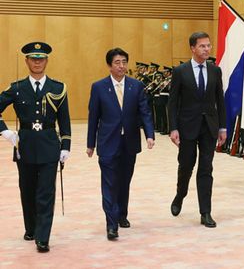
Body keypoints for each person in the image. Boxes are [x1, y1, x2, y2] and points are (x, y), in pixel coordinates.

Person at [0, 42, 71, 252]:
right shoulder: (17, 88)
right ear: (27, 61)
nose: (37, 62)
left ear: (47, 61)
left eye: (41, 58)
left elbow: (64, 120)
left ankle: (43, 236)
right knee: (28, 191)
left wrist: (65, 145)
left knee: (46, 193)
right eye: (33, 58)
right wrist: (4, 131)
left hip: (50, 146)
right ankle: (31, 227)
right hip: (25, 147)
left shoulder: (58, 88)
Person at [87, 48, 155, 240]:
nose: (121, 66)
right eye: (117, 62)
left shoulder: (137, 86)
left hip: (129, 142)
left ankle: (121, 214)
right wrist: (90, 143)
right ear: (109, 65)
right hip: (108, 142)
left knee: (124, 180)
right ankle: (111, 223)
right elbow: (94, 117)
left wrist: (149, 134)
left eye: (124, 62)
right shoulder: (99, 87)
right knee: (109, 183)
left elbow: (145, 112)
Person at [168, 31, 226, 228]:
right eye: (202, 46)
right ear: (192, 48)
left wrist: (223, 127)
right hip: (187, 127)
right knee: (186, 165)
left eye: (208, 45)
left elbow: (220, 100)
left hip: (209, 126)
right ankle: (180, 195)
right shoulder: (180, 71)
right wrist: (173, 128)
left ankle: (205, 212)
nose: (207, 49)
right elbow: (173, 102)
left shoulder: (215, 71)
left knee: (206, 168)